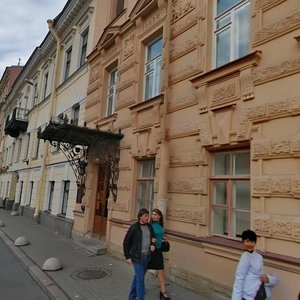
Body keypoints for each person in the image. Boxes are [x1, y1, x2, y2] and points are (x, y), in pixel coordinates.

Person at [231, 229, 278, 300]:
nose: (249, 244)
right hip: (247, 295)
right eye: (247, 241)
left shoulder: (259, 257)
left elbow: (262, 275)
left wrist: (268, 279)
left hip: (259, 293)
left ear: (255, 243)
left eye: (252, 242)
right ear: (243, 242)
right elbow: (239, 278)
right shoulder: (245, 257)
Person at [123, 208, 156, 300]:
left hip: (147, 257)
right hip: (137, 257)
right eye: (145, 216)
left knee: (138, 278)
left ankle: (132, 297)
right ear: (140, 216)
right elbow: (126, 242)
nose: (147, 218)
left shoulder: (149, 226)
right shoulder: (134, 228)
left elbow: (153, 237)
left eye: (148, 216)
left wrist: (153, 244)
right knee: (140, 280)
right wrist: (127, 257)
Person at [147, 208, 171, 300]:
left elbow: (160, 235)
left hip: (158, 251)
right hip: (150, 250)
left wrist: (163, 239)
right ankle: (136, 288)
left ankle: (163, 292)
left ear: (159, 216)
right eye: (153, 214)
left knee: (161, 271)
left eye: (156, 214)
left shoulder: (161, 226)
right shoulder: (149, 226)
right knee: (143, 270)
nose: (154, 216)